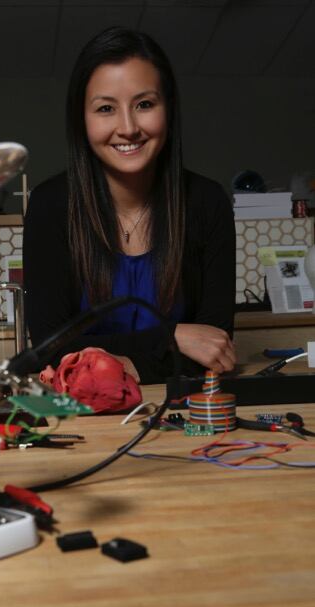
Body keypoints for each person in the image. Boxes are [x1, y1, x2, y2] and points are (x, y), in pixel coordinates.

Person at [23, 26, 236, 384]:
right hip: (81, 411)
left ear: (169, 109)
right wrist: (170, 338)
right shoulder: (50, 206)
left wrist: (118, 362)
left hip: (182, 410)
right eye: (106, 108)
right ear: (82, 119)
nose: (128, 127)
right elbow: (48, 350)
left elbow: (214, 349)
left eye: (144, 104)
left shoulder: (207, 202)